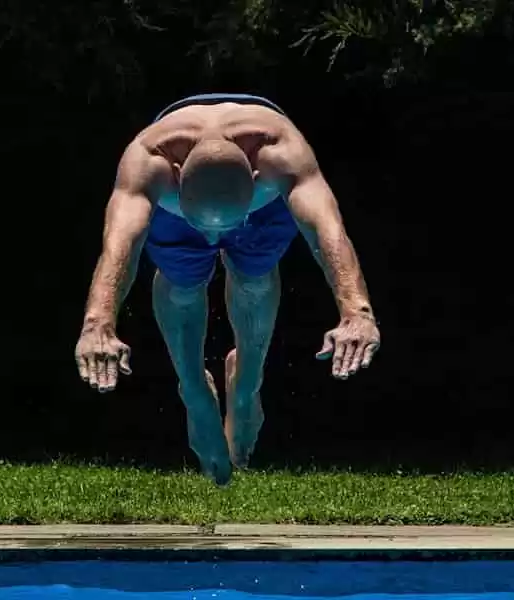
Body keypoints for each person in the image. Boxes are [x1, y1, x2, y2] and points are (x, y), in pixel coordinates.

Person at [74, 93, 381, 485]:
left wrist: (358, 312)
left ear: (256, 178)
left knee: (253, 277)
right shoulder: (148, 162)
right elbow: (119, 249)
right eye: (204, 226)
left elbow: (328, 232)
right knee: (183, 284)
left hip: (258, 208)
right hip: (180, 207)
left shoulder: (281, 154)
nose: (212, 237)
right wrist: (97, 322)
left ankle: (247, 382)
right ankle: (193, 390)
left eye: (222, 227)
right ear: (177, 173)